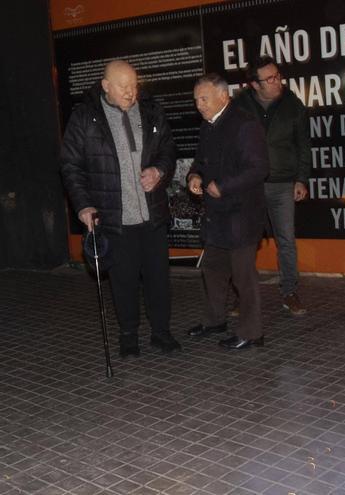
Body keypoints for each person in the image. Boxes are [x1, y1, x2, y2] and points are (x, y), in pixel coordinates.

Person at [59, 59, 181, 357]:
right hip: (114, 217)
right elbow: (70, 165)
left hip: (151, 214)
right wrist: (84, 205)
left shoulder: (151, 110)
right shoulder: (86, 117)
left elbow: (168, 149)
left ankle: (161, 333)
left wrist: (159, 171)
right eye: (123, 86)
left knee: (158, 279)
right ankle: (128, 336)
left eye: (134, 85)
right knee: (123, 281)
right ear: (106, 86)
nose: (130, 92)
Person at [186, 73, 269, 350]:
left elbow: (258, 169)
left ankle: (252, 332)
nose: (199, 104)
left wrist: (223, 186)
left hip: (240, 216)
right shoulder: (207, 125)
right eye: (196, 99)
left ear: (223, 96)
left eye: (204, 98)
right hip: (216, 217)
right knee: (212, 270)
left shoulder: (244, 124)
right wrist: (194, 176)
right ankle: (214, 321)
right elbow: (199, 160)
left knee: (243, 277)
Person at [232, 56, 311, 315]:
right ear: (254, 84)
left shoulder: (293, 104)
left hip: (282, 185)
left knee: (286, 240)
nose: (278, 81)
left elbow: (304, 146)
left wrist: (301, 179)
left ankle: (290, 292)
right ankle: (242, 296)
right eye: (270, 78)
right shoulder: (239, 105)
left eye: (277, 75)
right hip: (250, 184)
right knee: (245, 241)